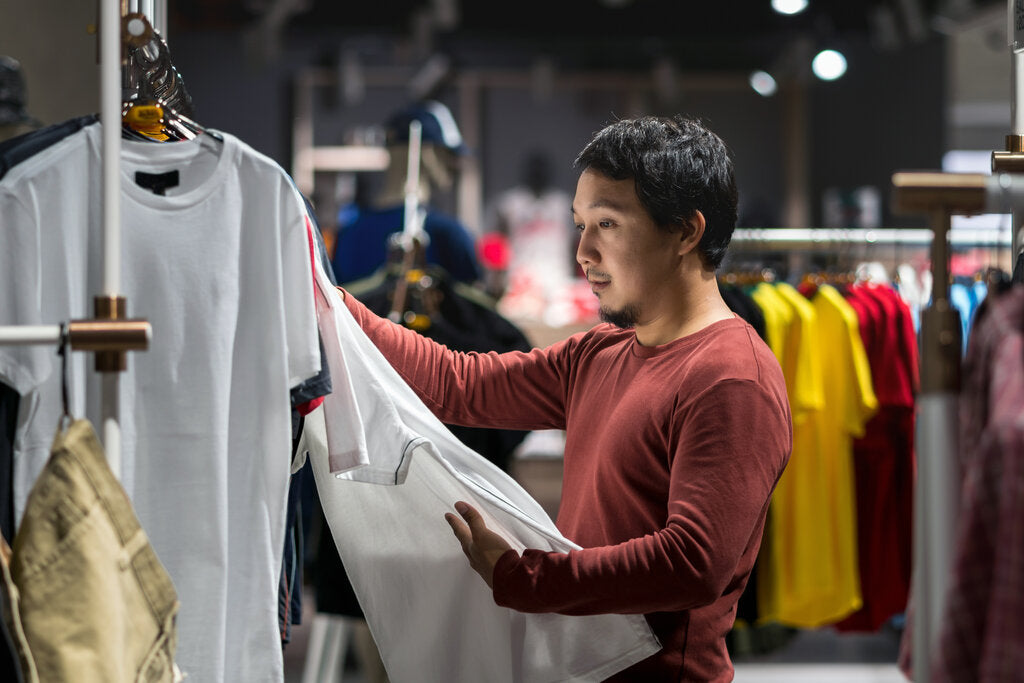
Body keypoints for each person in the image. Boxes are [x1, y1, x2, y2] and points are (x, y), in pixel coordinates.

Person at [337, 114, 792, 681]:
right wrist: (332, 306)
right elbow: (459, 384)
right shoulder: (602, 352)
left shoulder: (730, 380)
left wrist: (528, 577)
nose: (582, 252)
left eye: (607, 223)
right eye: (580, 224)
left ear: (685, 231)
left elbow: (692, 563)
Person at [330, 99, 483, 286]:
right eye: (449, 154)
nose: (455, 165)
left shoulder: (348, 234)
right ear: (426, 153)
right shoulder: (447, 234)